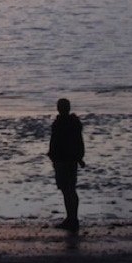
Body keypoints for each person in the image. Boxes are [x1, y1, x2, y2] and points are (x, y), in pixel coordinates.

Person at [47, 97, 85, 232]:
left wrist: (53, 155)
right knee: (70, 190)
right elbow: (79, 143)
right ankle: (72, 218)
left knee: (67, 190)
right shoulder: (74, 123)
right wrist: (79, 157)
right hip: (70, 160)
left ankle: (72, 219)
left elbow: (56, 142)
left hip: (63, 160)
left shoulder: (60, 123)